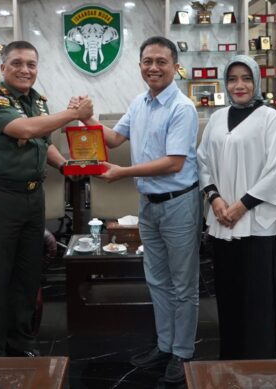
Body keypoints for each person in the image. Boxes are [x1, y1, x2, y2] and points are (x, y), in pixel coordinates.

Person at [76, 36, 200, 385]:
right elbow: (114, 139)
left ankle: (183, 353)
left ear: (175, 66)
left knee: (183, 285)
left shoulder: (182, 108)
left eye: (161, 61)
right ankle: (164, 346)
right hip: (148, 205)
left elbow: (174, 163)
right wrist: (84, 119)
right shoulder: (140, 102)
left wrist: (123, 174)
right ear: (140, 66)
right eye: (148, 61)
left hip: (179, 205)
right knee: (157, 280)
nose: (154, 67)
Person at [0, 40, 92, 357]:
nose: (24, 70)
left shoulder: (37, 102)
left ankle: (22, 345)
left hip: (32, 198)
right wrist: (72, 113)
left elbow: (44, 142)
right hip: (0, 198)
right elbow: (25, 130)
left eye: (31, 64)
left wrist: (67, 167)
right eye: (17, 63)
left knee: (28, 279)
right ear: (2, 68)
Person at [196, 54, 276, 359]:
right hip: (222, 221)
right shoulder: (216, 118)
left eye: (246, 78)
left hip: (257, 223)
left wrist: (241, 206)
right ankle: (230, 363)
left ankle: (259, 367)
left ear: (257, 81)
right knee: (228, 296)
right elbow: (203, 161)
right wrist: (215, 198)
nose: (239, 85)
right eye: (233, 79)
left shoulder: (271, 119)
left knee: (258, 301)